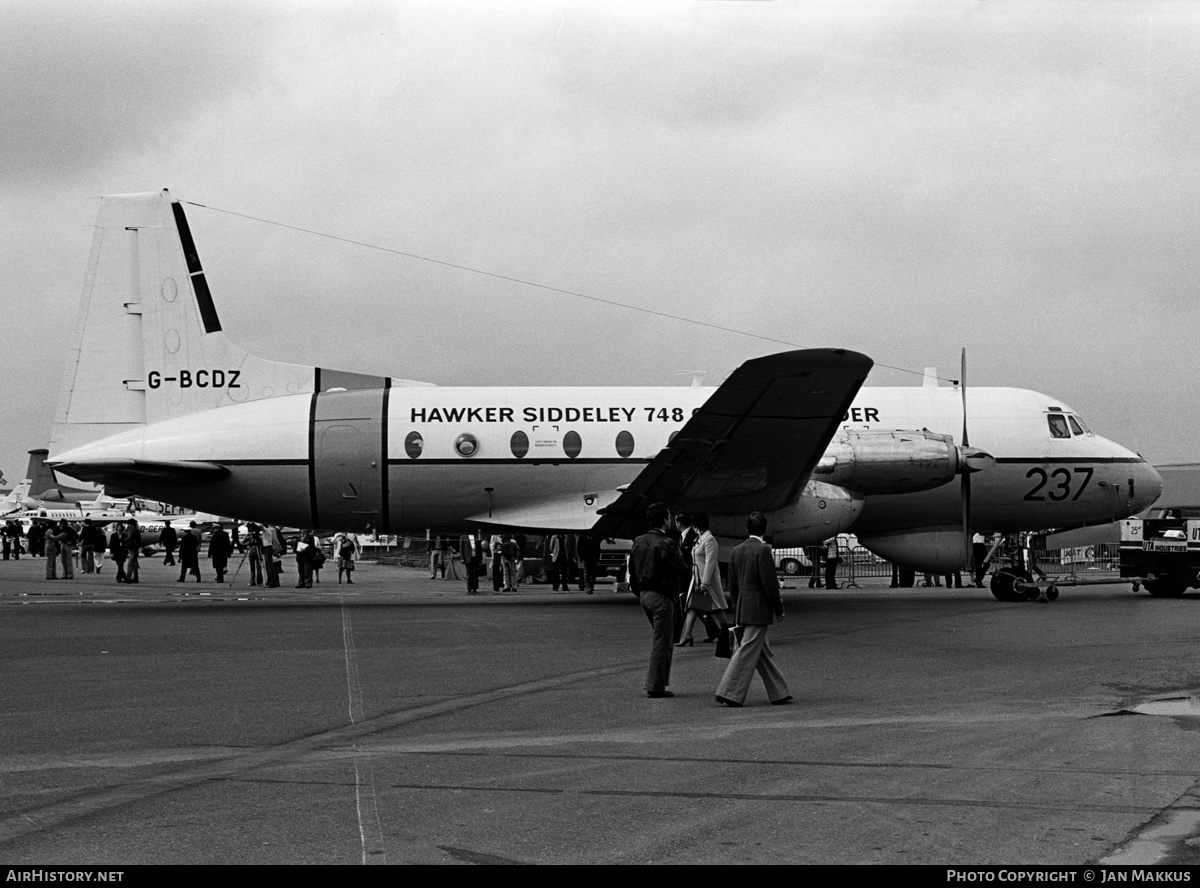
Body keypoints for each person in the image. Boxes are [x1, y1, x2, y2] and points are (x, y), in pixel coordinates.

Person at [715, 511, 792, 707]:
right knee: (748, 649)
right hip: (758, 608)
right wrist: (779, 608)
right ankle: (729, 691)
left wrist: (736, 606)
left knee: (761, 651)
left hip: (742, 605)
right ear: (765, 530)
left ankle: (779, 692)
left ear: (747, 529)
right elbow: (769, 584)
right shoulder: (762, 551)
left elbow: (732, 584)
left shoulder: (736, 550)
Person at [628, 502, 690, 699]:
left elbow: (632, 570)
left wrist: (639, 591)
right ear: (665, 519)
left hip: (644, 594)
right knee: (662, 642)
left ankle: (658, 682)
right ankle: (656, 685)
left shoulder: (638, 541)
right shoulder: (667, 543)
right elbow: (682, 569)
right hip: (662, 596)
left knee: (662, 639)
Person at [678, 513, 728, 645]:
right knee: (692, 607)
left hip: (707, 581)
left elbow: (710, 562)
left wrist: (705, 583)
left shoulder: (709, 540)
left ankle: (729, 632)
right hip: (698, 580)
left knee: (718, 609)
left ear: (695, 526)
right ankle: (687, 634)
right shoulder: (700, 539)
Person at [123, 519, 141, 584]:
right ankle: (135, 578)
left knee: (130, 563)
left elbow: (129, 537)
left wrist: (123, 541)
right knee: (134, 564)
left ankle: (128, 577)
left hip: (134, 548)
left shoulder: (134, 531)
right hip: (133, 548)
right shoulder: (134, 530)